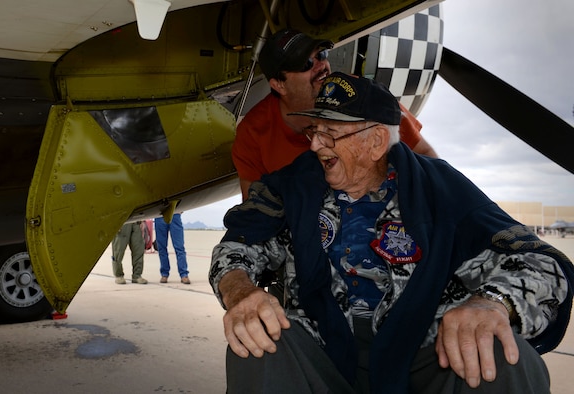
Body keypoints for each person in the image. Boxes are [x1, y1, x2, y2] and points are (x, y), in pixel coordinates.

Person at [209, 72, 574, 393]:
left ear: (376, 142)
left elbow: (539, 262)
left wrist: (490, 305)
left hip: (423, 352)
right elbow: (238, 245)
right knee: (255, 342)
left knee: (503, 354)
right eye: (314, 130)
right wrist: (240, 291)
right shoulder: (290, 186)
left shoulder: (440, 189)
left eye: (330, 133)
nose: (316, 144)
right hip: (322, 350)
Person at [233, 28, 438, 199]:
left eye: (321, 55)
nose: (321, 66)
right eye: (306, 64)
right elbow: (254, 206)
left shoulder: (366, 97)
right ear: (279, 85)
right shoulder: (252, 133)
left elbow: (428, 160)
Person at [155, 213, 190, 284]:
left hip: (175, 214)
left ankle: (184, 274)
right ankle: (164, 274)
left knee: (179, 247)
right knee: (161, 247)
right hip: (159, 215)